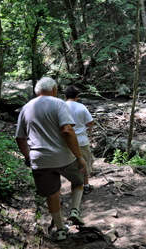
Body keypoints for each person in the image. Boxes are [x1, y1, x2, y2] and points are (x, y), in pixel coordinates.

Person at [15, 77, 86, 242]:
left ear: (37, 90)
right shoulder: (59, 103)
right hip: (63, 157)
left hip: (39, 160)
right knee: (79, 178)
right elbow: (67, 130)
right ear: (54, 89)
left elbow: (20, 138)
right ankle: (75, 210)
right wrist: (79, 157)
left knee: (52, 195)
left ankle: (61, 230)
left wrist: (28, 157)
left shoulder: (26, 108)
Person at [64, 86, 94, 195]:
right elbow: (90, 122)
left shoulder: (61, 106)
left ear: (65, 96)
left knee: (69, 164)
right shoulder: (81, 107)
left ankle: (73, 186)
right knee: (84, 162)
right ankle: (85, 186)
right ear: (77, 96)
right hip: (81, 140)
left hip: (65, 141)